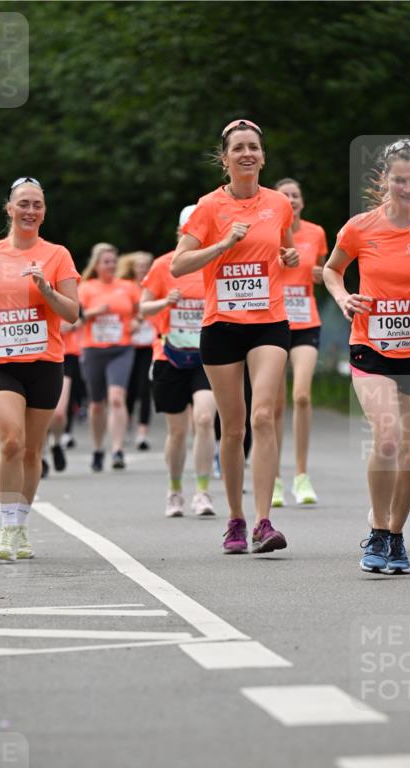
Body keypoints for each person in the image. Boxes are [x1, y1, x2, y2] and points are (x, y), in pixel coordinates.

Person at [323, 138, 410, 574]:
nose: (409, 188)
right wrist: (343, 297)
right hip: (372, 347)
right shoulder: (360, 227)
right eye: (400, 180)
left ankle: (397, 534)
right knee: (386, 437)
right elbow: (331, 269)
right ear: (385, 179)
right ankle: (379, 531)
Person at [171, 119, 298, 554]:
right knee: (232, 427)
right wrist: (222, 245)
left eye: (253, 147)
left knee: (262, 416)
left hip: (268, 322)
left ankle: (264, 521)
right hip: (221, 325)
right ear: (224, 159)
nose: (247, 154)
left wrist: (288, 256)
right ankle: (236, 519)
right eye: (238, 148)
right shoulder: (208, 207)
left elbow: (283, 246)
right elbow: (179, 264)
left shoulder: (278, 204)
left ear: (263, 157)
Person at [0, 176, 80, 560]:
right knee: (11, 440)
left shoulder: (57, 255)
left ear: (44, 212)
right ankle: (8, 527)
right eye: (23, 203)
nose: (30, 210)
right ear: (9, 209)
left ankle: (21, 525)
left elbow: (72, 313)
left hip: (44, 363)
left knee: (31, 450)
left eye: (37, 205)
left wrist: (46, 289)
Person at [141, 205, 217, 517]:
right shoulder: (163, 265)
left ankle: (202, 492)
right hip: (169, 355)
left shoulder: (216, 262)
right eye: (190, 231)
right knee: (177, 432)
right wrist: (165, 301)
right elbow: (143, 308)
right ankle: (174, 491)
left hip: (207, 356)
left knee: (204, 419)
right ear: (180, 233)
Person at [272, 177, 328, 506]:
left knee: (302, 395)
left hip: (306, 321)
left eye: (295, 195)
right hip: (274, 321)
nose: (291, 200)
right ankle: (275, 478)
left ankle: (301, 476)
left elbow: (319, 271)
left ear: (302, 202)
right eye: (285, 195)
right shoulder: (266, 231)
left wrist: (320, 275)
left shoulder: (316, 233)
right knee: (275, 405)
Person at [77, 243, 140, 471]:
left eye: (114, 261)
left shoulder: (128, 286)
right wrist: (94, 312)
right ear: (96, 265)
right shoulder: (86, 288)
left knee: (116, 398)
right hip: (93, 349)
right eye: (106, 262)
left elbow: (140, 310)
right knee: (96, 404)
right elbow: (74, 319)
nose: (111, 265)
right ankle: (97, 449)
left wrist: (137, 321)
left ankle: (117, 450)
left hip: (121, 348)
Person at [119, 251, 155, 450]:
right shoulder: (125, 287)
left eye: (146, 265)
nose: (143, 269)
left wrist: (142, 318)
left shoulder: (155, 285)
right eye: (139, 265)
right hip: (128, 344)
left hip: (149, 344)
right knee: (129, 390)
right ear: (133, 268)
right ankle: (125, 427)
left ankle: (142, 434)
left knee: (145, 389)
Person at [48, 312, 82, 471]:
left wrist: (73, 324)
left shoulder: (66, 294)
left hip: (65, 354)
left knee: (59, 414)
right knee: (38, 412)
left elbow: (80, 317)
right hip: (36, 354)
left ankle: (56, 443)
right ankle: (39, 455)